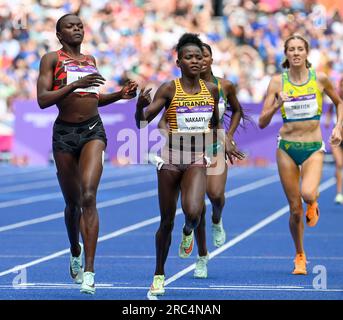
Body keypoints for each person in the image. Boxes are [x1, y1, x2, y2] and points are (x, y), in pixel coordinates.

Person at [36, 13, 138, 294]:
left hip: (93, 132)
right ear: (60, 35)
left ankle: (90, 272)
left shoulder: (90, 60)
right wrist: (72, 85)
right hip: (64, 135)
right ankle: (74, 248)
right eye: (70, 26)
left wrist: (119, 95)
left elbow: (92, 99)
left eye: (80, 25)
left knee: (89, 196)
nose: (77, 29)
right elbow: (43, 100)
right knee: (73, 205)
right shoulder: (51, 59)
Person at [135, 33, 224, 296]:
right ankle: (159, 274)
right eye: (188, 57)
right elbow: (142, 122)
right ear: (178, 62)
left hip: (197, 158)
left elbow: (215, 123)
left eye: (198, 57)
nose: (195, 61)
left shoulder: (213, 90)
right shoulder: (169, 88)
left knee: (194, 213)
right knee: (165, 222)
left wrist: (219, 142)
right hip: (170, 160)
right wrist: (139, 108)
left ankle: (189, 231)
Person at [157, 42, 246, 279]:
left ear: (211, 59)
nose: (201, 60)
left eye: (204, 56)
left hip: (214, 145)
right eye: (196, 56)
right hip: (188, 150)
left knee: (215, 196)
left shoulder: (223, 86)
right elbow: (164, 119)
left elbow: (237, 111)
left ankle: (218, 219)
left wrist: (228, 136)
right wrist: (170, 138)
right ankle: (202, 256)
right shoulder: (179, 89)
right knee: (196, 208)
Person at [259, 34, 343, 275]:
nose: (296, 53)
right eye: (291, 49)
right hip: (286, 147)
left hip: (313, 146)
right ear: (286, 54)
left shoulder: (320, 80)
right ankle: (299, 254)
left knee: (307, 193)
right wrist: (276, 105)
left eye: (300, 49)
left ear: (307, 53)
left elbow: (339, 103)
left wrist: (338, 127)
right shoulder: (277, 82)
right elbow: (263, 122)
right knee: (294, 209)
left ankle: (313, 202)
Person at [325, 78, 343, 204]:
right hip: (337, 137)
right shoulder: (335, 98)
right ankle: (339, 193)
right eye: (341, 85)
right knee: (339, 164)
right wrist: (327, 121)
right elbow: (330, 112)